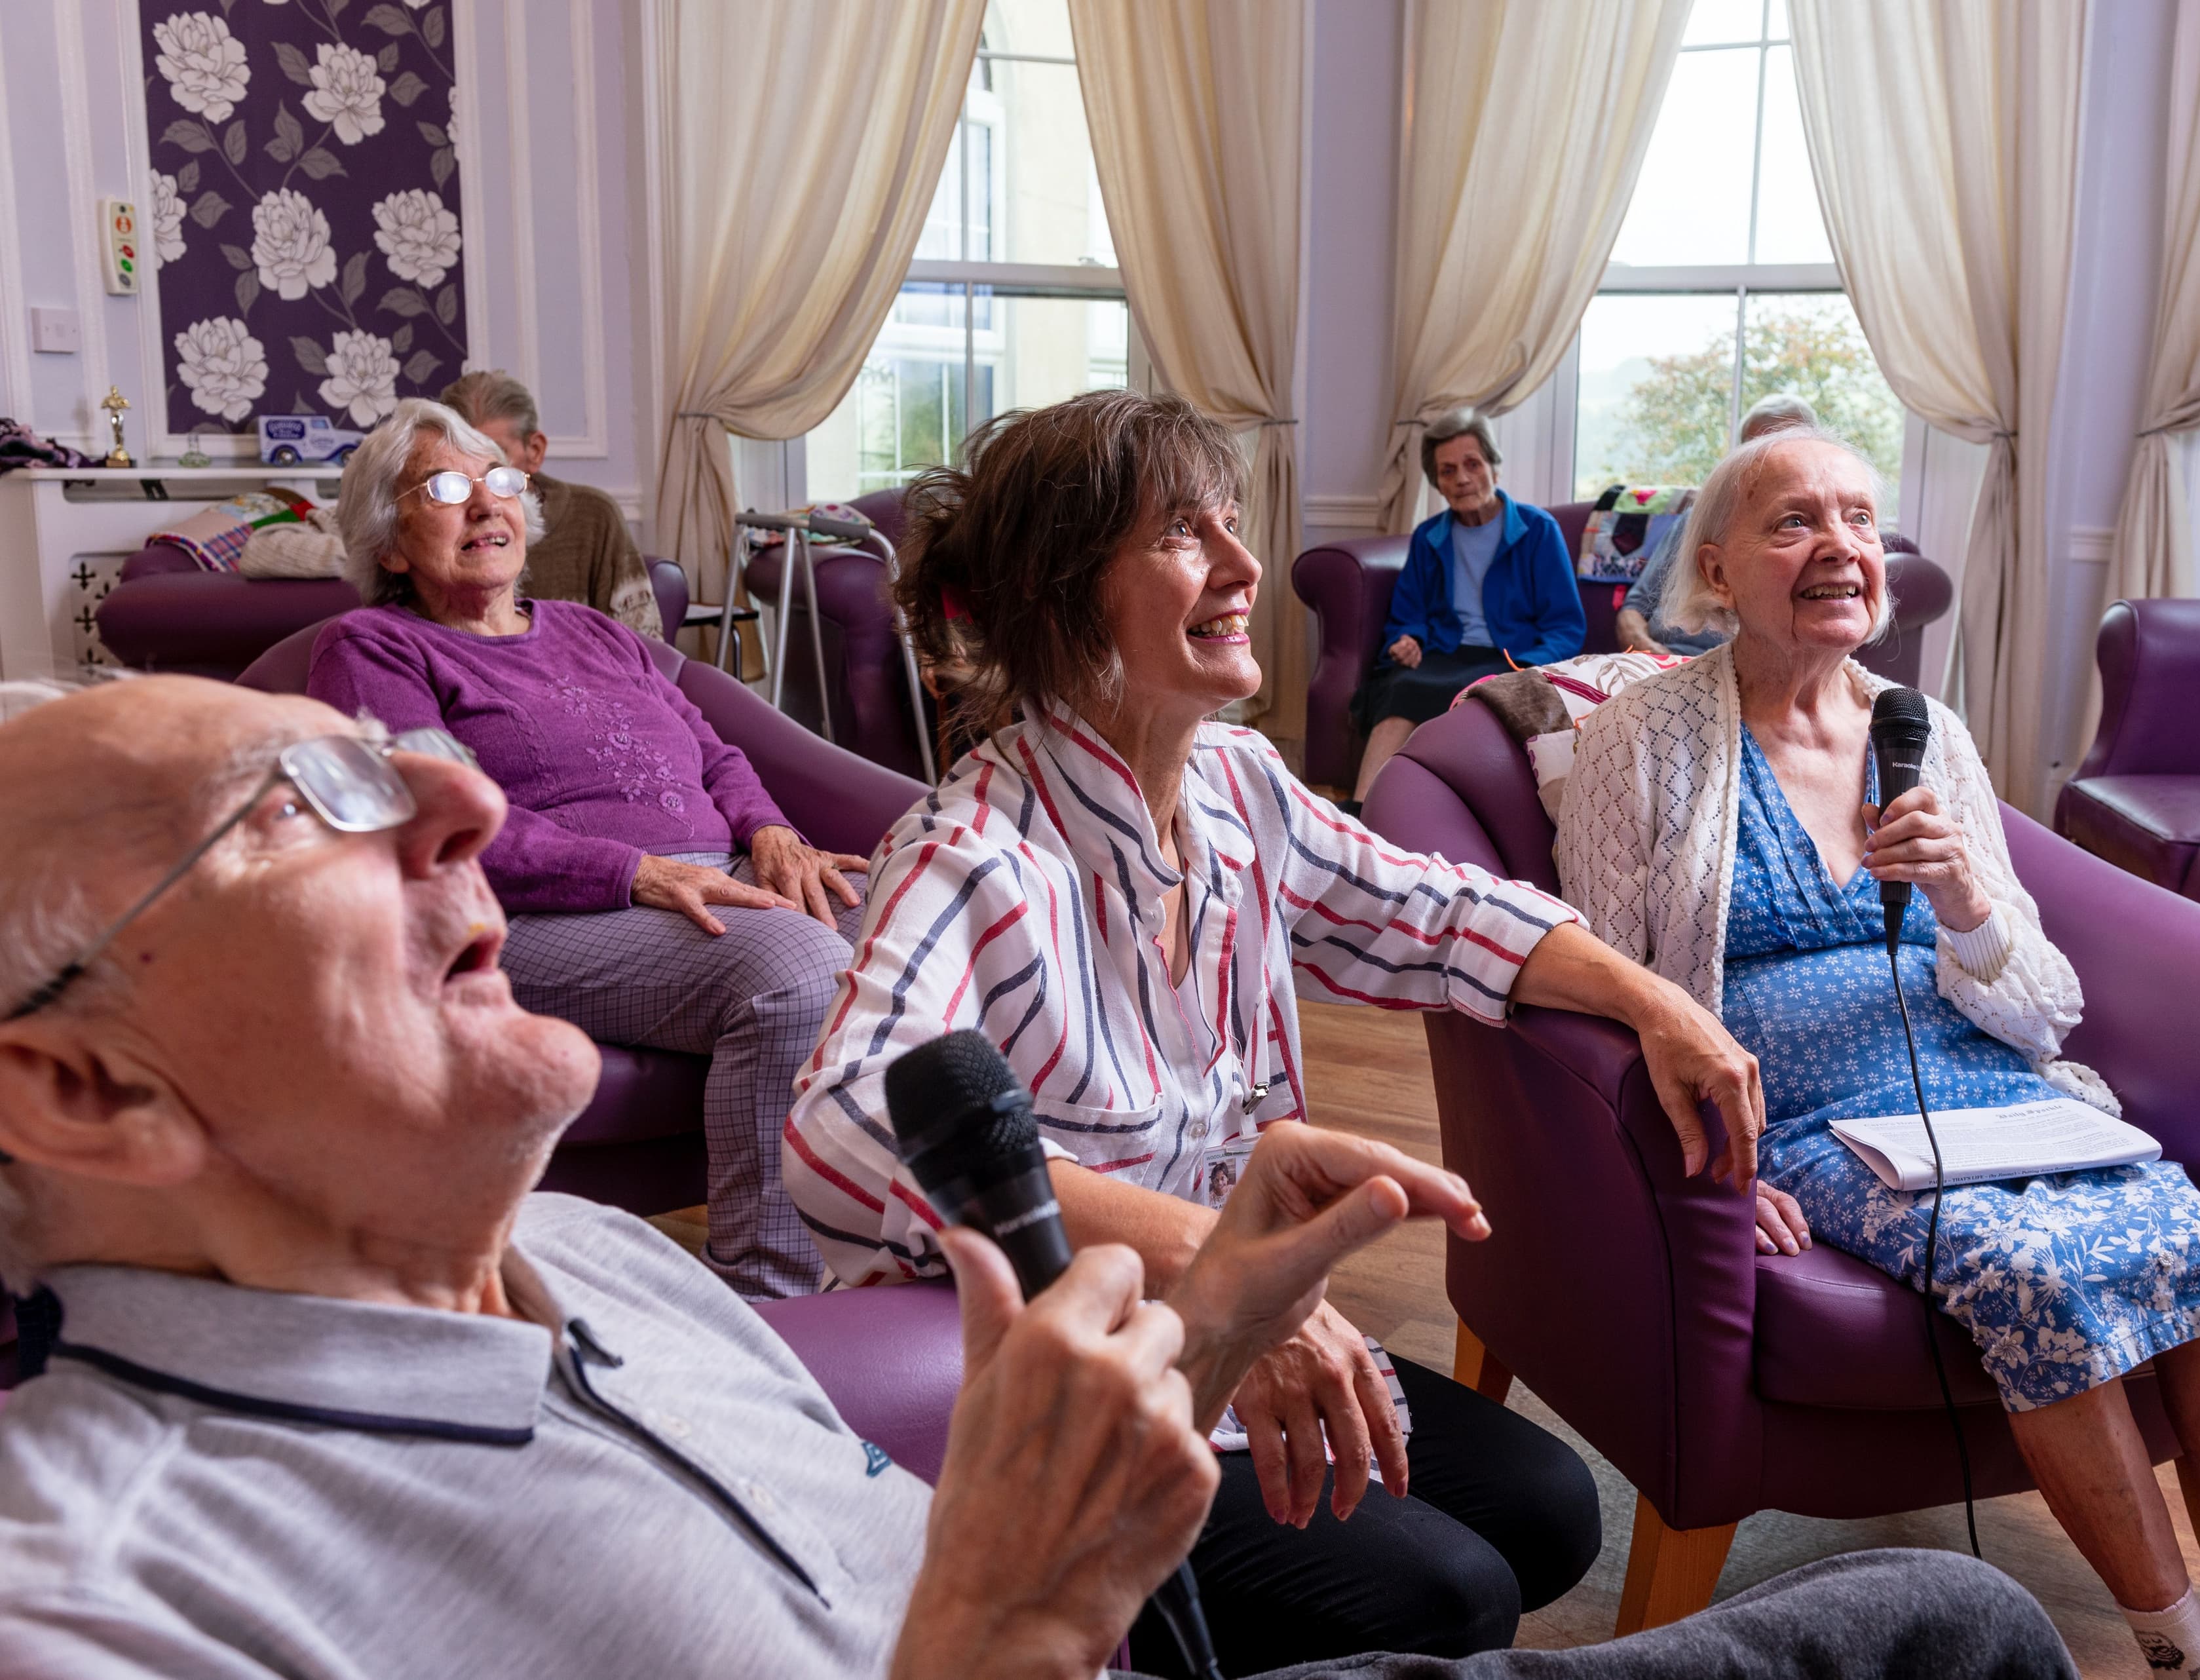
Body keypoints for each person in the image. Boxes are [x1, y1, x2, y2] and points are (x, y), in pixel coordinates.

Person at [0, 672, 2080, 1680]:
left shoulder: (579, 1253)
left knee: (1936, 1619)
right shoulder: (104, 1599)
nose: (468, 791)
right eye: (309, 800)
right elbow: (839, 1116)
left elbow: (1440, 907)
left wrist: (1205, 1316)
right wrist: (1001, 1603)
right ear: (86, 1085)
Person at [785, 390, 1802, 1675]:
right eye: (1178, 533)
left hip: (1229, 1337)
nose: (1244, 563)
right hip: (1055, 1401)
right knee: (1449, 1595)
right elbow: (837, 1137)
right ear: (1057, 594)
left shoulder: (1234, 782)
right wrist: (1230, 1272)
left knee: (1549, 1512)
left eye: (1231, 520)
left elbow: (1438, 911)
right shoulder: (971, 860)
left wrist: (1657, 1002)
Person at [1556, 423, 2200, 1680]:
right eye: (1794, 521)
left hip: (1991, 1088)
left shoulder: (1923, 728)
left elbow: (2044, 1009)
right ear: (1717, 570)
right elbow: (1613, 989)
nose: (1840, 544)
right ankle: (2185, 1652)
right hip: (1816, 1121)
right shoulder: (1647, 737)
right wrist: (1707, 1157)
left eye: (1860, 520)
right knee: (2033, 1272)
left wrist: (1967, 904)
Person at [306, 398, 865, 1299]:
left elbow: (714, 750)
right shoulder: (375, 647)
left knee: (918, 909)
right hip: (533, 916)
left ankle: (902, 1248)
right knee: (795, 966)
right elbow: (432, 817)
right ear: (390, 543)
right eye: (446, 487)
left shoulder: (593, 629)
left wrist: (771, 833)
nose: (487, 503)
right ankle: (775, 1297)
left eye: (498, 481)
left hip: (704, 880)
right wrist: (635, 872)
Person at [1350, 408, 1585, 803]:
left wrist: (1528, 666)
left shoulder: (1538, 530)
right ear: (1438, 485)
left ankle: (1438, 812)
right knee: (1401, 688)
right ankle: (1359, 815)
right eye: (1447, 471)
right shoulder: (1430, 537)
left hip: (1512, 656)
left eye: (1472, 464)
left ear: (1495, 469)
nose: (1461, 478)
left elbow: (1566, 626)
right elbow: (1408, 613)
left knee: (1483, 695)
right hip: (1445, 652)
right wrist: (1409, 639)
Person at [440, 368, 663, 640]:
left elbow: (642, 648)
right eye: (459, 462)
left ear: (535, 450)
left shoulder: (594, 517)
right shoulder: (439, 529)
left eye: (496, 461)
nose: (482, 492)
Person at [1615, 394, 1819, 657]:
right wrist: (1651, 657)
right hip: (1658, 662)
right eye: (1753, 449)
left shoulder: (1815, 539)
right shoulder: (1696, 519)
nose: (1762, 462)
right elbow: (1634, 608)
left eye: (1779, 447)